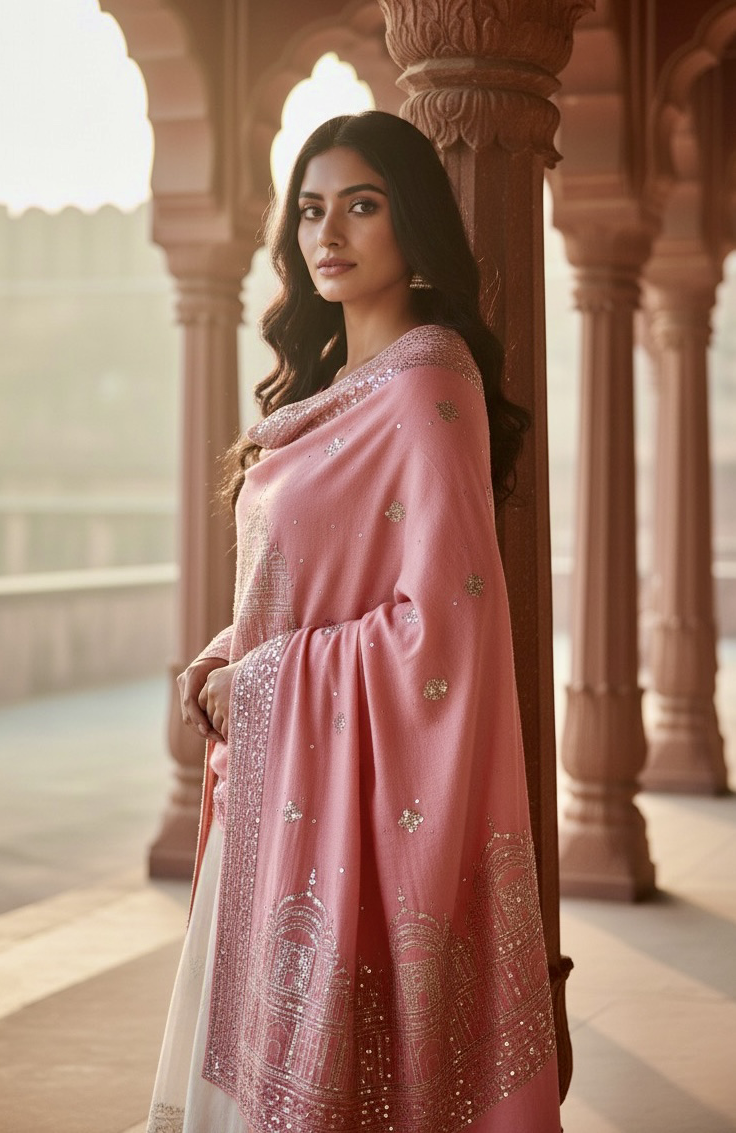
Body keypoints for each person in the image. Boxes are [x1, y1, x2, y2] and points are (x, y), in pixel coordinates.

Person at [146, 110, 561, 1133]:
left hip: (338, 815)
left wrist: (256, 680)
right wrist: (222, 654)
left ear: (411, 225)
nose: (326, 232)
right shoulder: (330, 389)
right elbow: (296, 582)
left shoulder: (425, 382)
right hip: (271, 803)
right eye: (309, 210)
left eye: (361, 206)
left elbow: (439, 632)